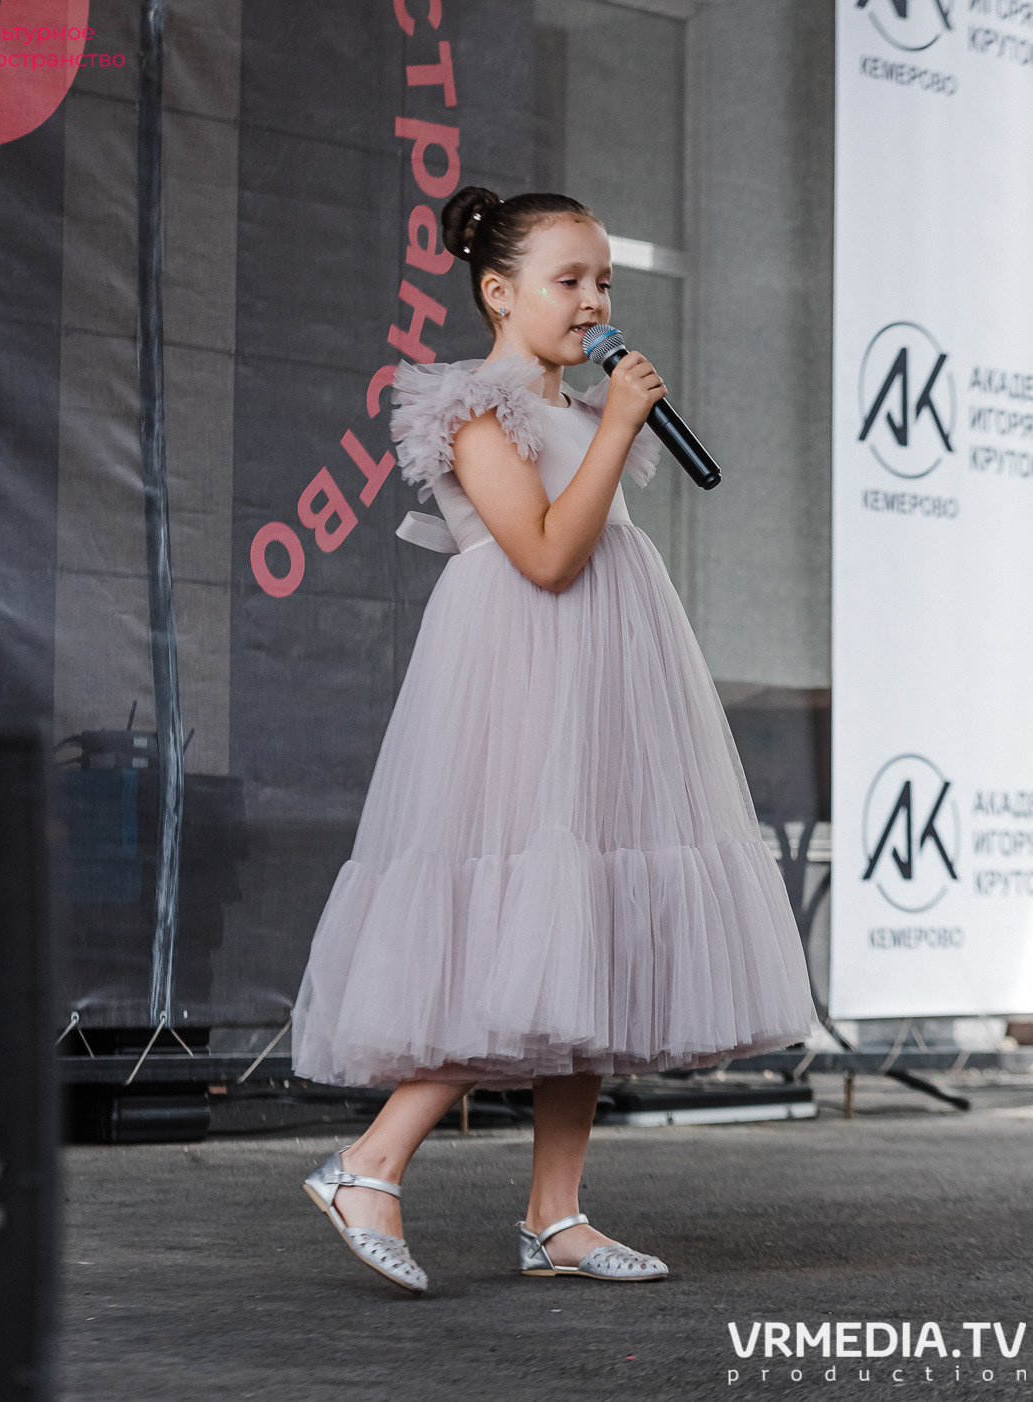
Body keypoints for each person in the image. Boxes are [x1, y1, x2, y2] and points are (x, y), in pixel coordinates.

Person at [289, 188, 816, 1292]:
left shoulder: (584, 409)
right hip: (520, 681)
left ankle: (557, 1213)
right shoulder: (471, 410)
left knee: (588, 924)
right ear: (498, 291)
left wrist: (610, 424)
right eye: (569, 280)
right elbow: (542, 553)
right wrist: (619, 426)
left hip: (609, 680)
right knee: (506, 936)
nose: (594, 301)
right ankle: (368, 1161)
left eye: (605, 282)